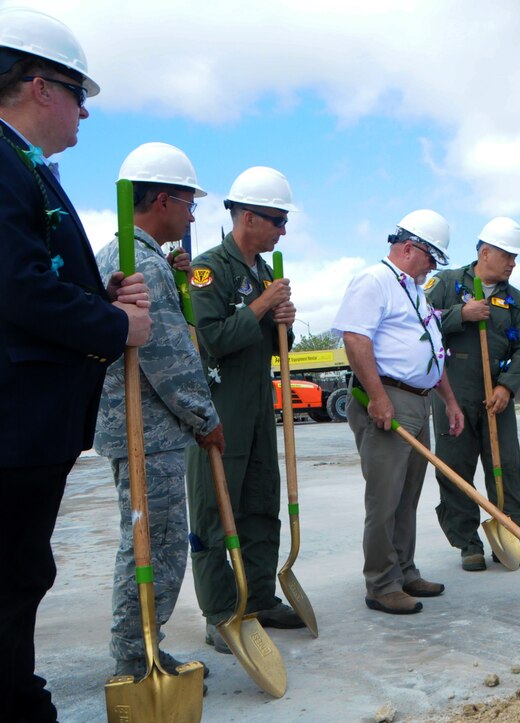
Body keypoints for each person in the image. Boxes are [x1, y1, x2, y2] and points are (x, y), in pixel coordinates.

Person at [0, 8, 150, 720]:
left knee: (22, 568)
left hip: (32, 421)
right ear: (37, 85)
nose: (86, 110)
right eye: (76, 90)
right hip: (13, 419)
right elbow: (17, 287)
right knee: (10, 571)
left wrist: (100, 297)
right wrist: (116, 322)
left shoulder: (25, 164)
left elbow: (38, 273)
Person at [95, 143, 224, 681]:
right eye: (189, 202)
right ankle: (138, 656)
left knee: (143, 540)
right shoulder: (139, 262)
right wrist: (205, 420)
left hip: (132, 427)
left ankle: (138, 649)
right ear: (164, 199)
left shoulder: (118, 253)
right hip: (151, 430)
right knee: (157, 547)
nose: (193, 213)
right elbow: (168, 358)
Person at [184, 166, 304, 653]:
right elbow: (210, 339)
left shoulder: (263, 273)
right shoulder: (208, 269)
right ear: (248, 217)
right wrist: (259, 307)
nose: (282, 231)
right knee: (217, 511)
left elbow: (277, 347)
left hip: (258, 408)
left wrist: (285, 321)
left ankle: (259, 597)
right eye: (277, 221)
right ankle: (219, 612)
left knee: (260, 503)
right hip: (220, 409)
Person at [333, 210, 465, 614]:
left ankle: (404, 570)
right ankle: (381, 583)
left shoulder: (414, 290)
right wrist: (377, 397)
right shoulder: (374, 281)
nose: (433, 266)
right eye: (432, 257)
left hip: (418, 399)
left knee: (407, 497)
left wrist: (449, 400)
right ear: (409, 248)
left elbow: (430, 349)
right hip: (389, 398)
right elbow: (356, 339)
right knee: (385, 499)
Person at [425, 217, 520, 571]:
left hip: (497, 394)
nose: (513, 263)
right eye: (507, 255)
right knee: (456, 469)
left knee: (506, 465)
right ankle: (468, 543)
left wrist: (507, 386)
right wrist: (460, 314)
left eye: (515, 257)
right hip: (453, 391)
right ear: (485, 252)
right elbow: (419, 324)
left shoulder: (513, 298)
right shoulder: (445, 283)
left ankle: (512, 533)